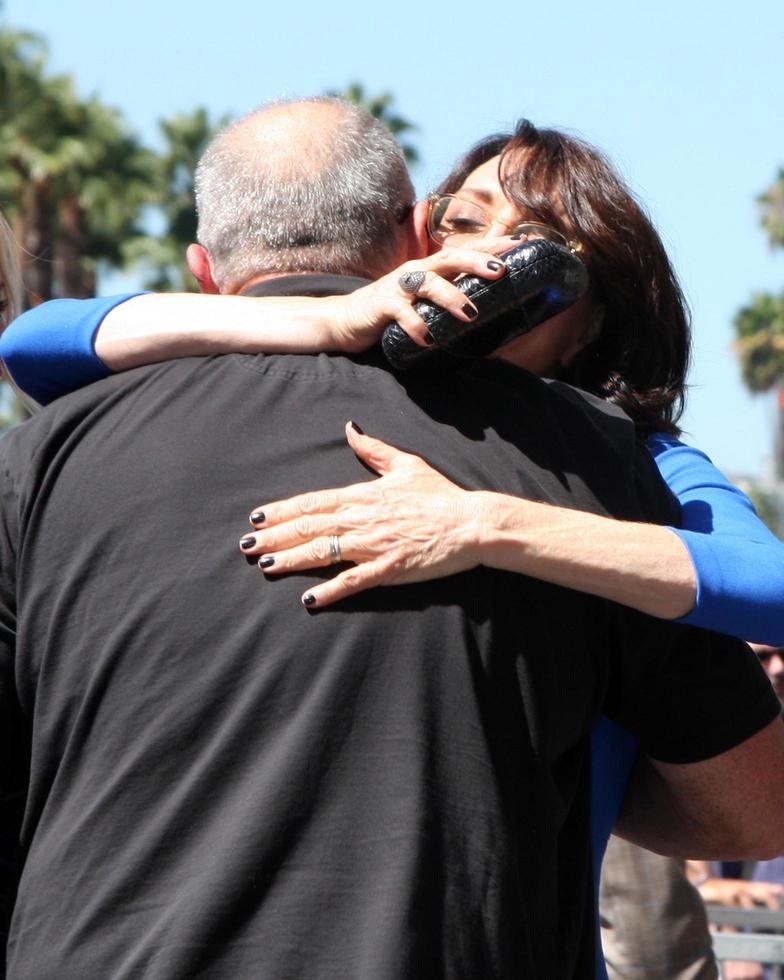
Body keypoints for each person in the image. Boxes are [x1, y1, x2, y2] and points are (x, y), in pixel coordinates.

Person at [1, 97, 783, 979]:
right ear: (416, 243)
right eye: (466, 225)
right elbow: (36, 339)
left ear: (589, 316)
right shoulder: (569, 449)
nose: (491, 259)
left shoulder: (622, 460)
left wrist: (489, 522)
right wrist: (322, 320)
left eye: (537, 253)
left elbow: (768, 612)